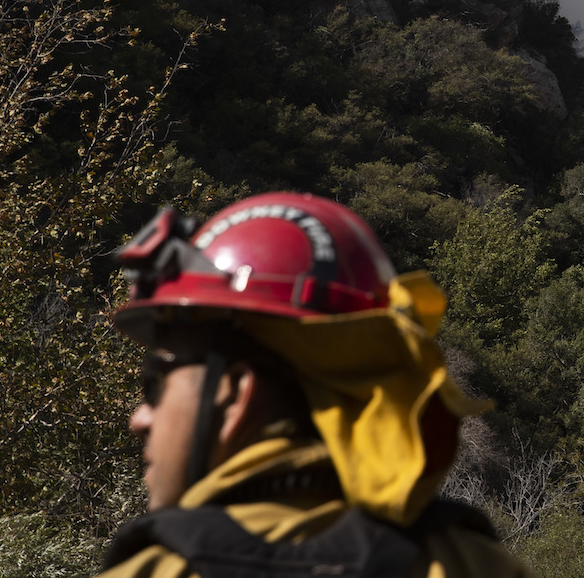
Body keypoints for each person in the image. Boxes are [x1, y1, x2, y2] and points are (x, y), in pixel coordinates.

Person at [96, 193, 529, 578]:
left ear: (233, 392)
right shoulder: (474, 565)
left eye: (155, 383)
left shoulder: (154, 570)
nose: (140, 418)